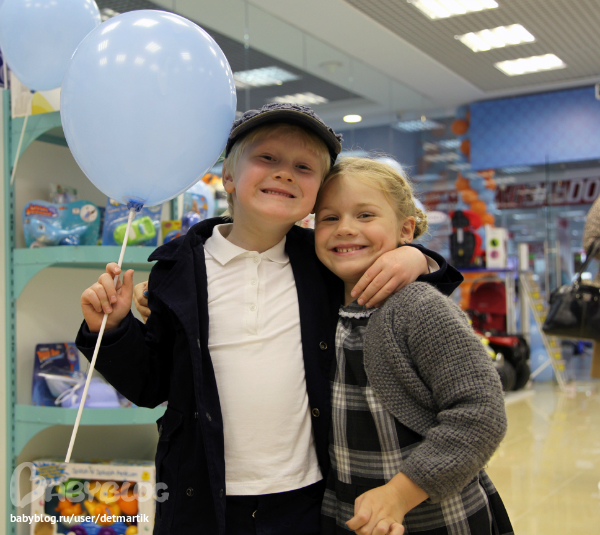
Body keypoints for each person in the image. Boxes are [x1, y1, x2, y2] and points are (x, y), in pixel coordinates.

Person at [77, 103, 462, 535]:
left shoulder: (325, 263)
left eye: (303, 167)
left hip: (307, 498)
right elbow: (151, 386)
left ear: (318, 192)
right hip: (199, 495)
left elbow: (406, 281)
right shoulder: (176, 271)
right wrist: (112, 330)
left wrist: (416, 258)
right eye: (267, 158)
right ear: (228, 176)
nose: (284, 174)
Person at [313, 157, 512, 535]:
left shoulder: (419, 308)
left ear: (406, 228)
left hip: (435, 517)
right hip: (350, 516)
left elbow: (482, 413)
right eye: (329, 218)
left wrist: (400, 494)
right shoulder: (321, 306)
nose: (346, 228)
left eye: (365, 215)